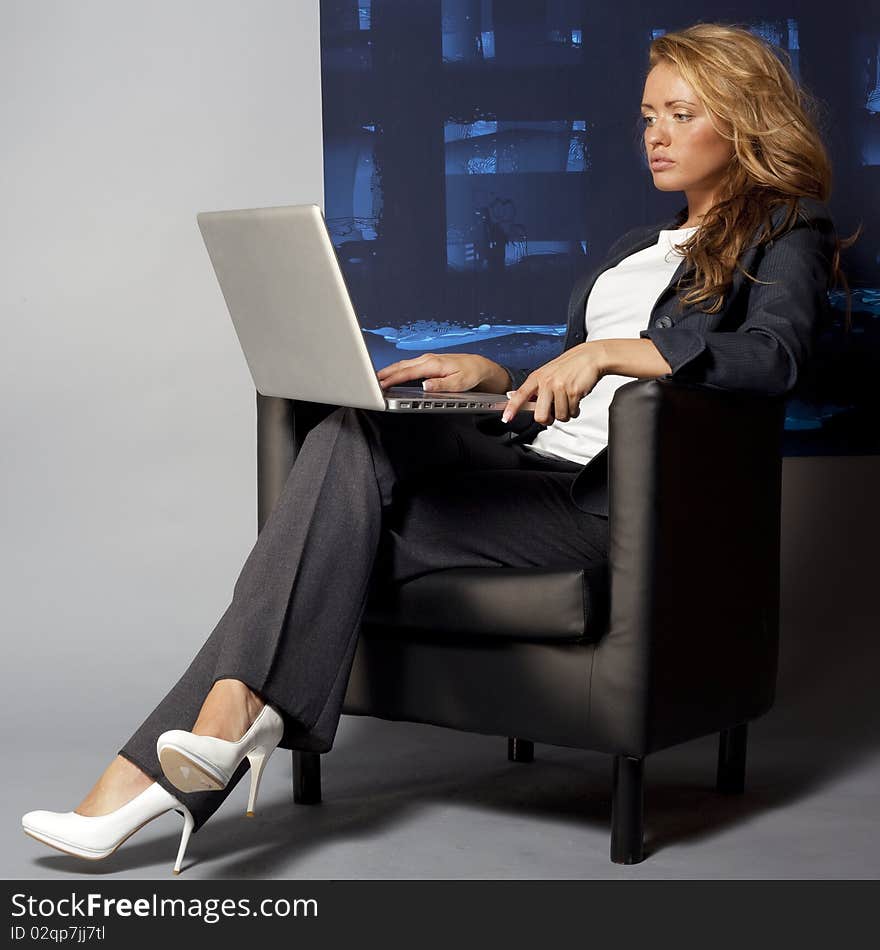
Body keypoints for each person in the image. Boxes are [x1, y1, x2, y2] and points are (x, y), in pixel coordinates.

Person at [21, 22, 854, 874]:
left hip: (609, 503)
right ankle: (228, 715)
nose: (656, 135)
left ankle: (164, 764)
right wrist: (499, 367)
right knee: (352, 433)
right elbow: (572, 365)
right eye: (647, 116)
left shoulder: (789, 230)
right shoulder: (636, 249)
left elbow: (775, 357)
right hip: (528, 462)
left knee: (329, 542)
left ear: (745, 121)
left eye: (682, 113)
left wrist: (607, 353)